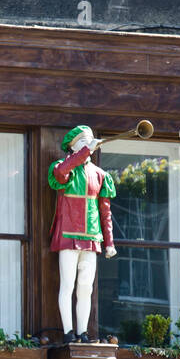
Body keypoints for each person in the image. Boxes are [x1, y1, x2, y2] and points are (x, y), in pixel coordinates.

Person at [48, 125, 116, 343]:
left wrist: (109, 242)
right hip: (68, 234)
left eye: (89, 142)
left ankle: (82, 332)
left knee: (85, 287)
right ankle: (68, 331)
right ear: (72, 146)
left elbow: (105, 211)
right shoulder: (63, 167)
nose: (88, 146)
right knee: (67, 284)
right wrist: (84, 152)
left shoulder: (100, 175)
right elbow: (60, 174)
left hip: (92, 237)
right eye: (82, 142)